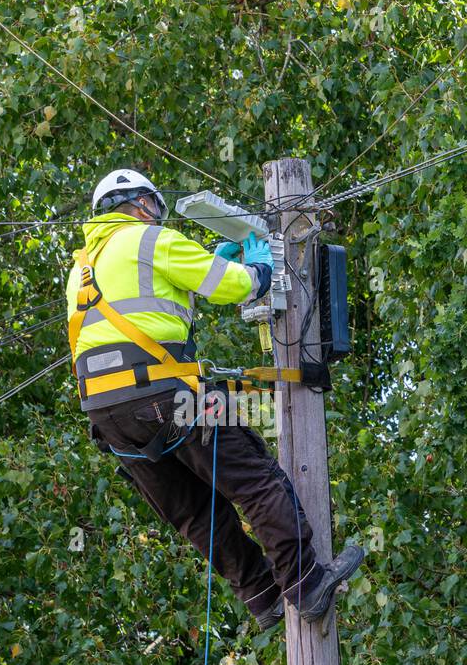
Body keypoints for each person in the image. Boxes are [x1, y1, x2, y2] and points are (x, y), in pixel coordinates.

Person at [66, 167, 364, 628]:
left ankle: (263, 596)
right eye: (155, 211)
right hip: (166, 399)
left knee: (196, 513)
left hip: (110, 419)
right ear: (143, 204)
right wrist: (260, 269)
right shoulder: (149, 239)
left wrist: (204, 263)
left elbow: (144, 313)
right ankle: (306, 584)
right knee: (256, 481)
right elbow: (235, 286)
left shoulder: (83, 267)